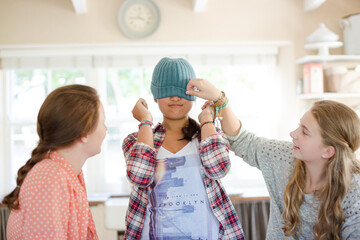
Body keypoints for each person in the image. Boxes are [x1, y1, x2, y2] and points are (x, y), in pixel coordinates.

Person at [186, 78, 360, 240]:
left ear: (328, 151)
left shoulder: (354, 194)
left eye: (305, 132)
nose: (293, 134)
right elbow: (242, 140)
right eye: (299, 126)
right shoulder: (284, 157)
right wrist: (219, 98)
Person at [122, 57, 245, 240]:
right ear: (155, 95)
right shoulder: (136, 139)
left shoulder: (210, 135)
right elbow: (140, 177)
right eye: (166, 90)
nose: (175, 97)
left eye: (182, 90)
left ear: (194, 94)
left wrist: (207, 120)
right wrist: (145, 121)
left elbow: (218, 168)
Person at [2, 84, 107, 240]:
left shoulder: (65, 174)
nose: (106, 129)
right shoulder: (50, 178)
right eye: (103, 122)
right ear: (84, 132)